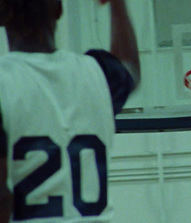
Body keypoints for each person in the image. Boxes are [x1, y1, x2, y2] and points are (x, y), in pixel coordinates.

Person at [0, 0, 140, 222]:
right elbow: (130, 68)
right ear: (59, 10)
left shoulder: (5, 82)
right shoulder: (96, 73)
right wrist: (117, 4)